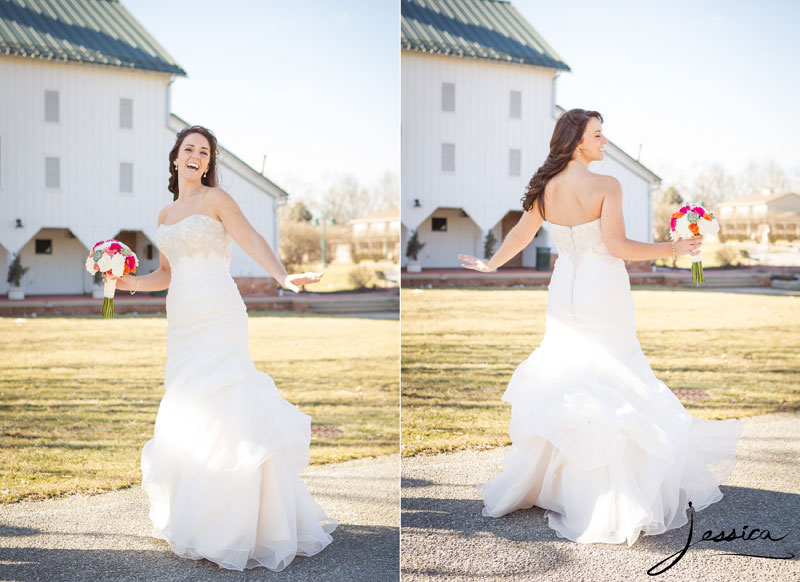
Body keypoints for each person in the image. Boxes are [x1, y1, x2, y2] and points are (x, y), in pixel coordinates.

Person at [459, 109, 741, 546]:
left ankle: (559, 484)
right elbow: (617, 246)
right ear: (577, 142)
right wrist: (675, 247)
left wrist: (490, 262)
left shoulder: (547, 188)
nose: (605, 140)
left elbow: (520, 235)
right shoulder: (607, 185)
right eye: (598, 134)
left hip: (564, 289)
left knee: (570, 376)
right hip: (603, 289)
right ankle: (613, 491)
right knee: (616, 372)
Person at [106, 126, 337, 570]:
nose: (195, 156)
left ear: (208, 163)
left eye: (204, 152)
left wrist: (282, 276)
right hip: (183, 320)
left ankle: (245, 525)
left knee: (229, 400)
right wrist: (125, 283)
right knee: (192, 406)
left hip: (219, 312)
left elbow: (251, 239)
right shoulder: (165, 214)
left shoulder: (218, 201)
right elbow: (166, 273)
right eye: (188, 149)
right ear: (175, 158)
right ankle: (203, 517)